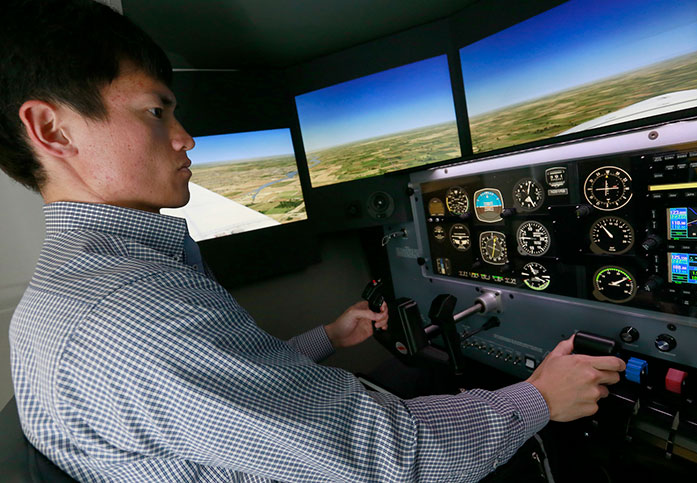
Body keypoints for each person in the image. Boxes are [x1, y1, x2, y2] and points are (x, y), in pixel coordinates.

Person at [1, 0, 625, 481]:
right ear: (53, 130)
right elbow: (391, 462)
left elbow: (226, 399)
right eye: (156, 111)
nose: (186, 137)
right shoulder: (132, 309)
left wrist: (327, 337)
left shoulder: (73, 292)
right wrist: (538, 398)